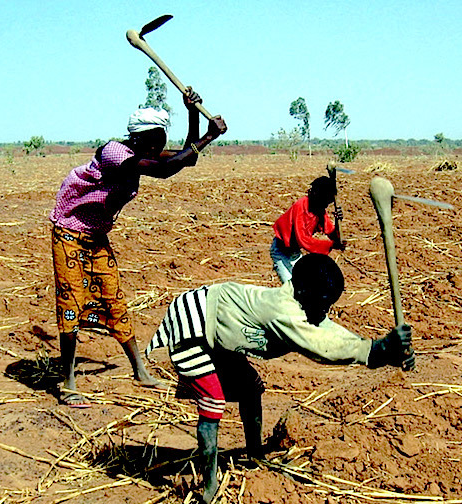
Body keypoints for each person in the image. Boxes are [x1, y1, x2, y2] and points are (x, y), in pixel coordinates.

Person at [144, 253, 414, 503]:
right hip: (192, 329)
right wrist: (376, 348)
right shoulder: (282, 310)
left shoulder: (303, 300)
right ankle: (209, 486)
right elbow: (321, 346)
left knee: (251, 389)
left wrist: (384, 353)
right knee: (213, 404)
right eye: (324, 304)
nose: (325, 311)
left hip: (220, 332)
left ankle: (254, 455)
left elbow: (327, 330)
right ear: (305, 291)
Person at [50, 88, 228, 407]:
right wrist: (208, 137)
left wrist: (190, 112)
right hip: (70, 232)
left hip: (95, 235)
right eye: (160, 139)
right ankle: (68, 383)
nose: (162, 146)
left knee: (113, 298)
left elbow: (182, 160)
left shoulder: (140, 152)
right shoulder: (115, 153)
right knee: (71, 304)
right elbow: (166, 168)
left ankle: (139, 371)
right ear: (149, 139)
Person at [270, 176, 346, 283]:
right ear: (316, 195)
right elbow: (302, 239)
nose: (325, 206)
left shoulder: (319, 210)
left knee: (304, 285)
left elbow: (332, 233)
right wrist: (332, 245)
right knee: (290, 289)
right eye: (325, 201)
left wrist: (338, 221)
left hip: (295, 253)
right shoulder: (301, 206)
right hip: (281, 252)